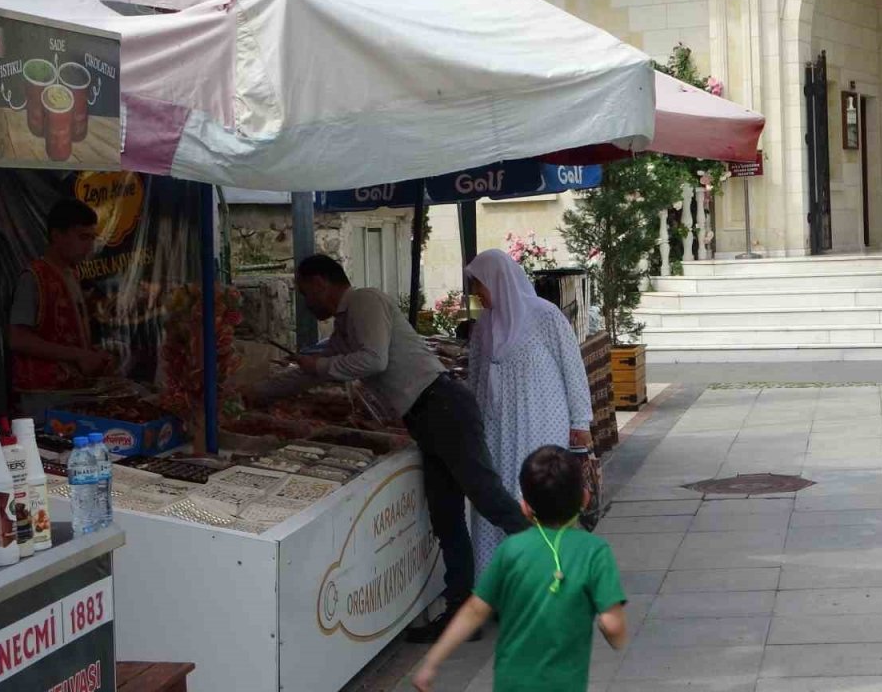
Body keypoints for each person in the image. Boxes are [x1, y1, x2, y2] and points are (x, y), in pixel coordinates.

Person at [249, 254, 530, 642]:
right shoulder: (343, 327)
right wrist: (251, 395)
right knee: (446, 516)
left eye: (303, 291)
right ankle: (462, 613)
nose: (303, 301)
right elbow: (306, 373)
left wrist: (319, 368)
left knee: (489, 498)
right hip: (427, 416)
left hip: (443, 407)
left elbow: (372, 360)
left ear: (320, 282)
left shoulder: (364, 301)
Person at [412, 446, 628, 692]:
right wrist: (613, 634)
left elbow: (474, 610)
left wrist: (432, 662)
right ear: (584, 498)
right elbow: (613, 625)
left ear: (525, 506)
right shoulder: (595, 552)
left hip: (511, 684)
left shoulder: (511, 550)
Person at [463, 249, 593, 576]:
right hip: (496, 432)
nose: (476, 293)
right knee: (500, 500)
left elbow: (571, 368)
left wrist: (581, 423)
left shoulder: (544, 316)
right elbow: (475, 379)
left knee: (540, 496)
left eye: (480, 284)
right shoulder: (483, 328)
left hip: (541, 425)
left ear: (499, 280)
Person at [9, 198, 113, 416]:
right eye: (83, 237)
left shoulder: (72, 274)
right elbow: (17, 339)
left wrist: (90, 354)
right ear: (57, 236)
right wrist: (78, 355)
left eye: (92, 238)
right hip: (43, 399)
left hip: (72, 393)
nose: (90, 246)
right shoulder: (34, 277)